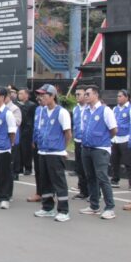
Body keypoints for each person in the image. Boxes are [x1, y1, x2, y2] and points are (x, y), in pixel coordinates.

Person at [32, 84, 72, 222]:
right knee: (45, 182)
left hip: (55, 153)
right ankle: (47, 207)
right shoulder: (42, 111)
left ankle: (63, 210)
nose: (40, 98)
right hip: (43, 151)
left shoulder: (62, 112)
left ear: (52, 96)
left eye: (43, 95)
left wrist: (62, 148)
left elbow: (68, 134)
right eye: (39, 95)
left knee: (59, 182)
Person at [79, 85, 118, 220]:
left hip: (100, 149)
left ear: (96, 95)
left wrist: (103, 139)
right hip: (87, 148)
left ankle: (109, 207)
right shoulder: (85, 111)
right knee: (90, 177)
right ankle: (94, 205)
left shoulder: (105, 110)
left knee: (102, 177)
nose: (85, 96)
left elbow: (113, 130)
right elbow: (83, 129)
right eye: (85, 94)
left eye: (88, 94)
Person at [111, 90, 131, 189]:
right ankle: (115, 180)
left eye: (120, 96)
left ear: (127, 97)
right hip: (115, 139)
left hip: (126, 138)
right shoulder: (115, 109)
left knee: (128, 162)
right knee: (114, 161)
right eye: (117, 96)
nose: (118, 98)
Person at [70, 86, 89, 200]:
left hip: (87, 142)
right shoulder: (75, 109)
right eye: (76, 94)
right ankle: (83, 190)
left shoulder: (89, 109)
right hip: (77, 141)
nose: (77, 96)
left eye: (79, 94)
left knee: (88, 168)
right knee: (80, 167)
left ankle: (93, 192)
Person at [17, 87, 37, 176]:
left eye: (21, 93)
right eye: (19, 93)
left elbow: (31, 120)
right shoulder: (18, 105)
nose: (19, 95)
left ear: (27, 95)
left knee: (27, 150)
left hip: (28, 131)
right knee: (19, 150)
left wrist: (28, 130)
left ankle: (28, 167)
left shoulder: (32, 105)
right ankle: (20, 167)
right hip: (19, 130)